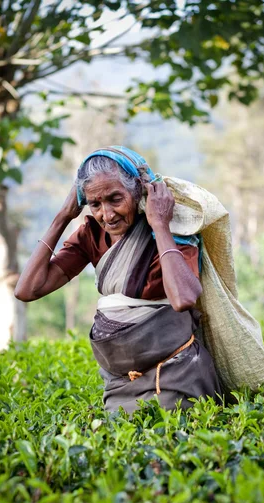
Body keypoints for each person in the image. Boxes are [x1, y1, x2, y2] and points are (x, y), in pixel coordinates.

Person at [15, 146, 223, 413]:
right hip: (119, 386)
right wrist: (62, 216)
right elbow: (27, 290)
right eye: (95, 204)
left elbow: (183, 298)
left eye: (115, 199)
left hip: (176, 377)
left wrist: (160, 224)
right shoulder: (90, 236)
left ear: (138, 192)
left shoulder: (174, 232)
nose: (107, 215)